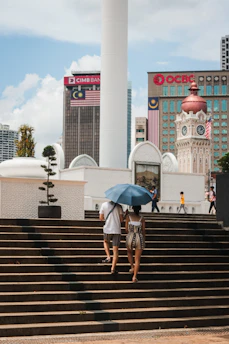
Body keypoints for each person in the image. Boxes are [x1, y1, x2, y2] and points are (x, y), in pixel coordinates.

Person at [99, 201, 123, 274]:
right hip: (117, 229)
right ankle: (113, 268)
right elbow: (121, 220)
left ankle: (108, 257)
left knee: (106, 241)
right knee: (115, 250)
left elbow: (101, 218)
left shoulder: (104, 204)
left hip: (107, 229)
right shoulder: (119, 206)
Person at [125, 205, 145, 283]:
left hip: (130, 235)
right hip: (139, 237)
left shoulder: (128, 217)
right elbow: (143, 230)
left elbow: (126, 229)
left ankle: (132, 266)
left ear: (132, 208)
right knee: (137, 259)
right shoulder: (142, 218)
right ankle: (134, 276)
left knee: (129, 252)